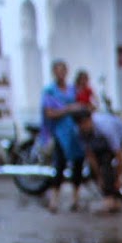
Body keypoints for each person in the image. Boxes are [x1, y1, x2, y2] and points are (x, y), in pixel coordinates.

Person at [39, 60, 87, 212]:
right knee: (60, 164)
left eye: (63, 70)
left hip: (75, 131)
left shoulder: (73, 89)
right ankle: (54, 200)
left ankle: (76, 199)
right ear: (54, 72)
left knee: (78, 164)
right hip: (60, 131)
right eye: (58, 70)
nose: (61, 73)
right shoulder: (50, 91)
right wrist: (67, 109)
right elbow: (49, 113)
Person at [73, 110, 122, 215]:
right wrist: (98, 176)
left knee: (107, 164)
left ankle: (112, 199)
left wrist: (119, 178)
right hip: (98, 145)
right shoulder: (79, 132)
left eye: (85, 123)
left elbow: (119, 154)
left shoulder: (107, 128)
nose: (84, 126)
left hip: (118, 138)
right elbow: (90, 155)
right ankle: (110, 198)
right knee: (98, 168)